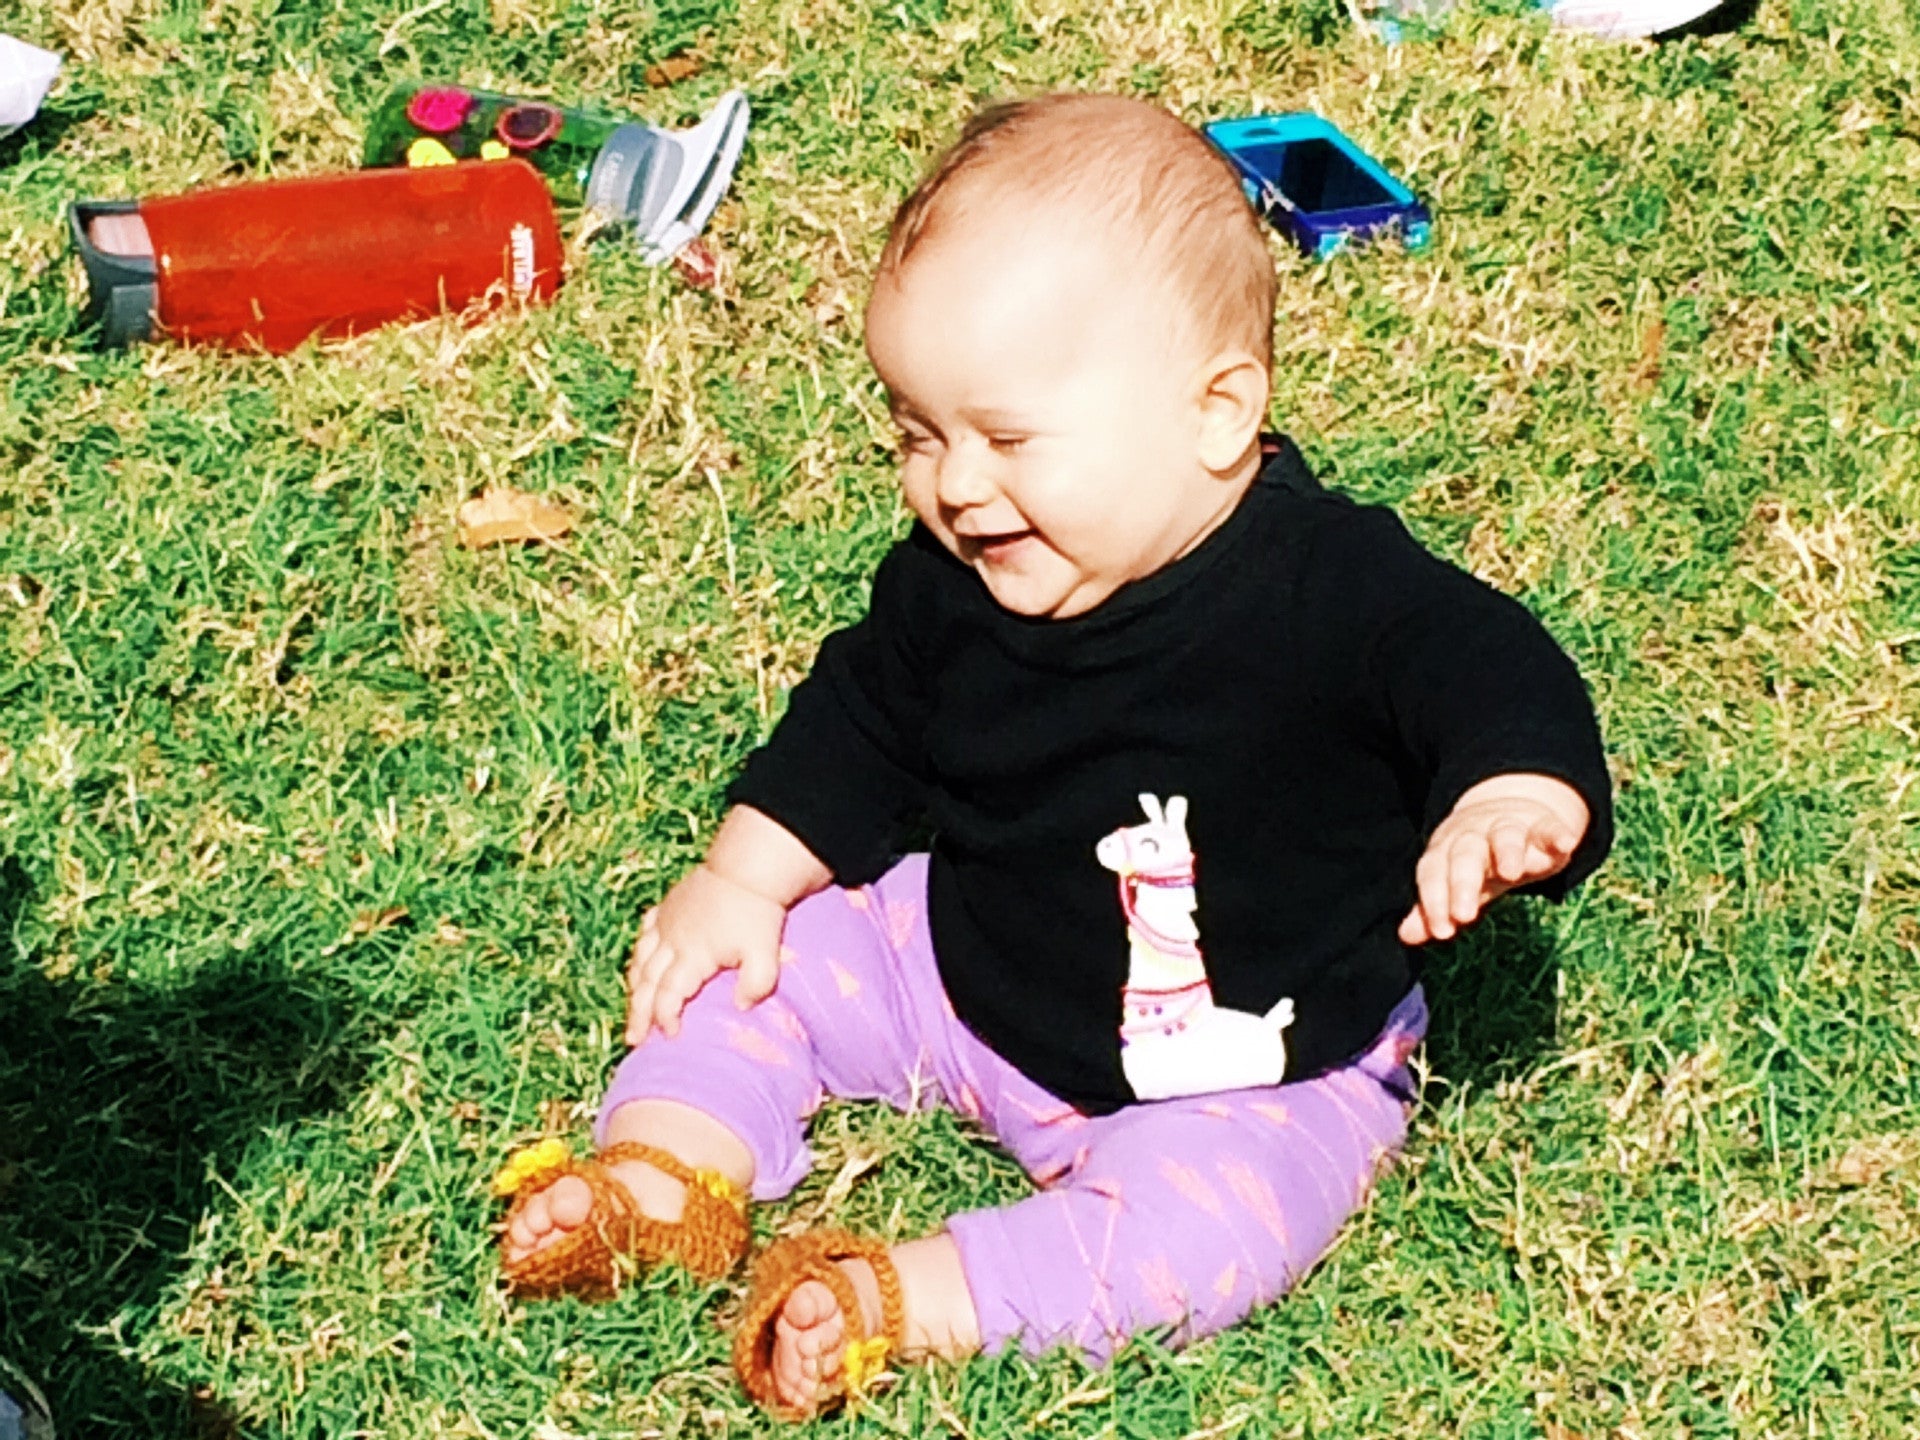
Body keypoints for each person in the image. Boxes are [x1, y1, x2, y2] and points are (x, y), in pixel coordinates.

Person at [492, 92, 1613, 1418]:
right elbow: (857, 722)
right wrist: (740, 878)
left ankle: (896, 1297)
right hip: (963, 970)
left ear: (1217, 414)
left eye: (1009, 439)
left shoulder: (1332, 588)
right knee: (757, 969)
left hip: (1251, 1068)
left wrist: (1510, 791)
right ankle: (655, 1183)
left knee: (1210, 1232)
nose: (956, 485)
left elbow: (1484, 665)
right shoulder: (958, 578)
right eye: (917, 432)